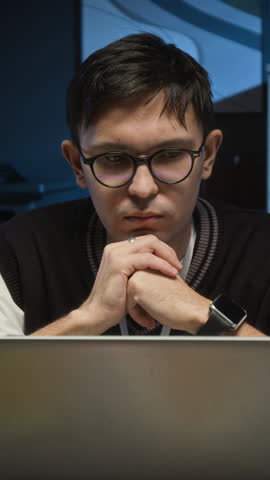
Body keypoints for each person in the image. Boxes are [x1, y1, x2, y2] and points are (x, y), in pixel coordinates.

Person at [0, 33, 269, 337]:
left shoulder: (263, 250)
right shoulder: (19, 252)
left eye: (170, 155)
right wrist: (89, 318)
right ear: (77, 164)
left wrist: (204, 316)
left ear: (207, 155)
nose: (143, 189)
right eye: (114, 159)